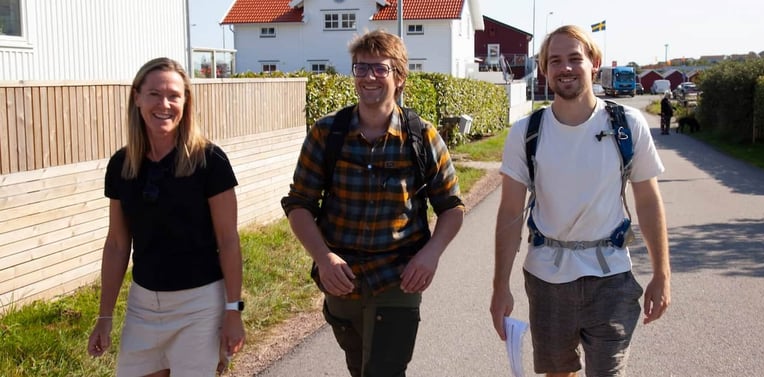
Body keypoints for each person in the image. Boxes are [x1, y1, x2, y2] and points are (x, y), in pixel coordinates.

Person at [280, 29, 464, 377]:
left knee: (384, 371)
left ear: (399, 77)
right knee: (360, 367)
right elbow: (299, 203)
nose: (368, 77)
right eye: (360, 68)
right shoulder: (326, 133)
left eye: (379, 69)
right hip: (342, 280)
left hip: (398, 278)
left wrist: (430, 254)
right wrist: (324, 258)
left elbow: (452, 206)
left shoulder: (421, 136)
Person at [490, 25, 671, 377]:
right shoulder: (526, 132)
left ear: (594, 63)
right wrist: (500, 286)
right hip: (546, 280)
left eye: (575, 58)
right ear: (544, 69)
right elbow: (510, 212)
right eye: (555, 60)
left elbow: (648, 201)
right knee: (559, 374)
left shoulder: (626, 125)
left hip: (612, 278)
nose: (566, 68)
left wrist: (662, 273)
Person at [87, 57, 245, 376]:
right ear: (137, 97)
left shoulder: (209, 161)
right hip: (143, 307)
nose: (165, 104)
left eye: (174, 95)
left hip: (200, 306)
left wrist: (233, 311)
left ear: (186, 102)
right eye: (155, 94)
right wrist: (105, 316)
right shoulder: (121, 165)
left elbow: (228, 241)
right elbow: (118, 244)